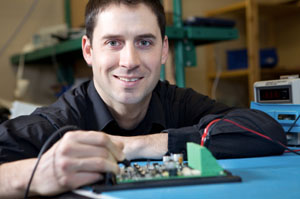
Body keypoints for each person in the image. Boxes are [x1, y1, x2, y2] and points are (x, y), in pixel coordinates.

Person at [0, 0, 286, 198]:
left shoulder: (178, 103)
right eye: (113, 43)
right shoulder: (61, 121)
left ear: (164, 50)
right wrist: (36, 175)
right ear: (88, 51)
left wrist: (135, 145)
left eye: (144, 42)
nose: (129, 61)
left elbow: (267, 131)